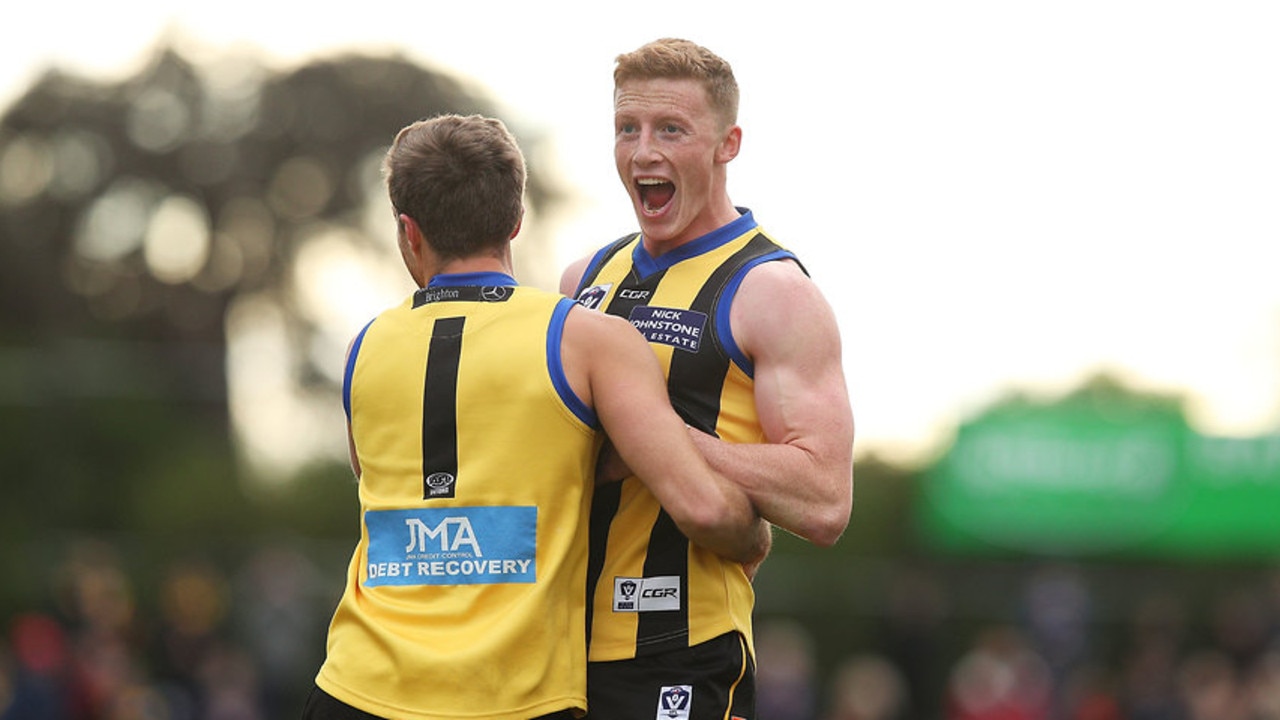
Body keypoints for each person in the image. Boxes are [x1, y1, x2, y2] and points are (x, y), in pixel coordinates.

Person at [304, 113, 769, 720]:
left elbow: (379, 483)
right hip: (511, 700)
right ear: (516, 220)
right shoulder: (587, 340)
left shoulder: (362, 348)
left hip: (353, 688)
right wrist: (753, 536)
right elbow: (703, 507)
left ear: (408, 232)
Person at [560, 38, 855, 719]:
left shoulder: (772, 291)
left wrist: (652, 435)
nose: (642, 153)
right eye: (626, 130)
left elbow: (825, 498)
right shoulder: (583, 281)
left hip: (681, 649)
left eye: (671, 130)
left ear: (728, 145)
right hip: (557, 648)